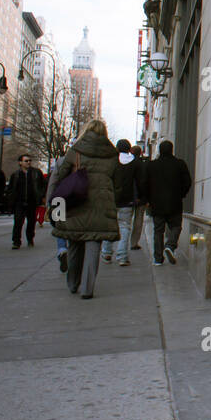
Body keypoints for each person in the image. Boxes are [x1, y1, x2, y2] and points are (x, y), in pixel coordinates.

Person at [45, 119, 119, 299]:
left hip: (76, 203)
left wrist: (53, 207)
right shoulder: (112, 155)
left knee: (74, 244)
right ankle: (87, 289)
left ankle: (72, 283)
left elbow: (60, 178)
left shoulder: (75, 151)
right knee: (94, 246)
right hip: (101, 206)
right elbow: (115, 181)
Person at [145, 140, 191, 266]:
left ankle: (158, 258)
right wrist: (181, 194)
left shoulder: (152, 165)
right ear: (172, 150)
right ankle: (170, 245)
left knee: (158, 231)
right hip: (175, 202)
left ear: (160, 150)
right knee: (176, 226)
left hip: (157, 203)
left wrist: (148, 199)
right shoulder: (180, 164)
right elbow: (187, 182)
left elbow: (145, 184)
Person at [100, 139, 136, 266]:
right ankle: (122, 256)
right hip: (127, 201)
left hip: (111, 199)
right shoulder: (134, 162)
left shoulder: (111, 162)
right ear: (129, 149)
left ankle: (106, 252)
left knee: (109, 226)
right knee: (125, 227)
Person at [4, 153, 45, 249]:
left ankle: (30, 239)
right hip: (19, 202)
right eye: (26, 161)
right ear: (20, 163)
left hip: (32, 202)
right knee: (18, 222)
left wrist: (41, 196)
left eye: (30, 160)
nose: (28, 162)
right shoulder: (16, 175)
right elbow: (11, 189)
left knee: (31, 222)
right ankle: (16, 241)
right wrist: (11, 201)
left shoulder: (36, 173)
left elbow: (43, 185)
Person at [129, 144, 148, 250]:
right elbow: (145, 181)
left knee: (126, 220)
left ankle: (123, 241)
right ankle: (134, 242)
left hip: (130, 196)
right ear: (140, 153)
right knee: (138, 220)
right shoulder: (143, 164)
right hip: (142, 197)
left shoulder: (129, 164)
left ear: (131, 152)